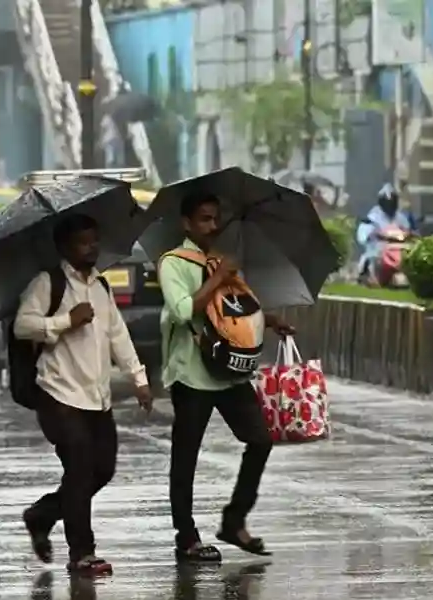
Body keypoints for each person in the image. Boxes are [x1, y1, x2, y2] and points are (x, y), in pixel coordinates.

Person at [158, 194, 294, 563]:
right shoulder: (173, 263)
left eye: (215, 219)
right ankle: (186, 537)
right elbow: (183, 310)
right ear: (187, 223)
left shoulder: (221, 261)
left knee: (260, 439)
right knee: (185, 458)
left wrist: (270, 319)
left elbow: (235, 311)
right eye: (204, 219)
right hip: (192, 373)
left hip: (231, 372)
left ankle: (234, 520)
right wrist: (217, 277)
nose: (212, 226)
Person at [15, 213, 153, 576]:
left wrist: (138, 378)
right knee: (79, 469)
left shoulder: (101, 286)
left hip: (96, 395)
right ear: (64, 246)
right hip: (58, 392)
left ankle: (43, 514)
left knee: (102, 470)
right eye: (83, 242)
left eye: (94, 240)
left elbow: (117, 336)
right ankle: (82, 553)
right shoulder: (48, 283)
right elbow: (23, 325)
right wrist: (64, 321)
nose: (91, 248)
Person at [355, 184, 414, 284]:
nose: (390, 205)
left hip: (398, 247)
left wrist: (410, 234)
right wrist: (373, 234)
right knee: (370, 257)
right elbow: (363, 235)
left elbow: (409, 229)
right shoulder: (372, 217)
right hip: (379, 248)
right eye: (387, 202)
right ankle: (366, 274)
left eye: (392, 202)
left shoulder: (401, 217)